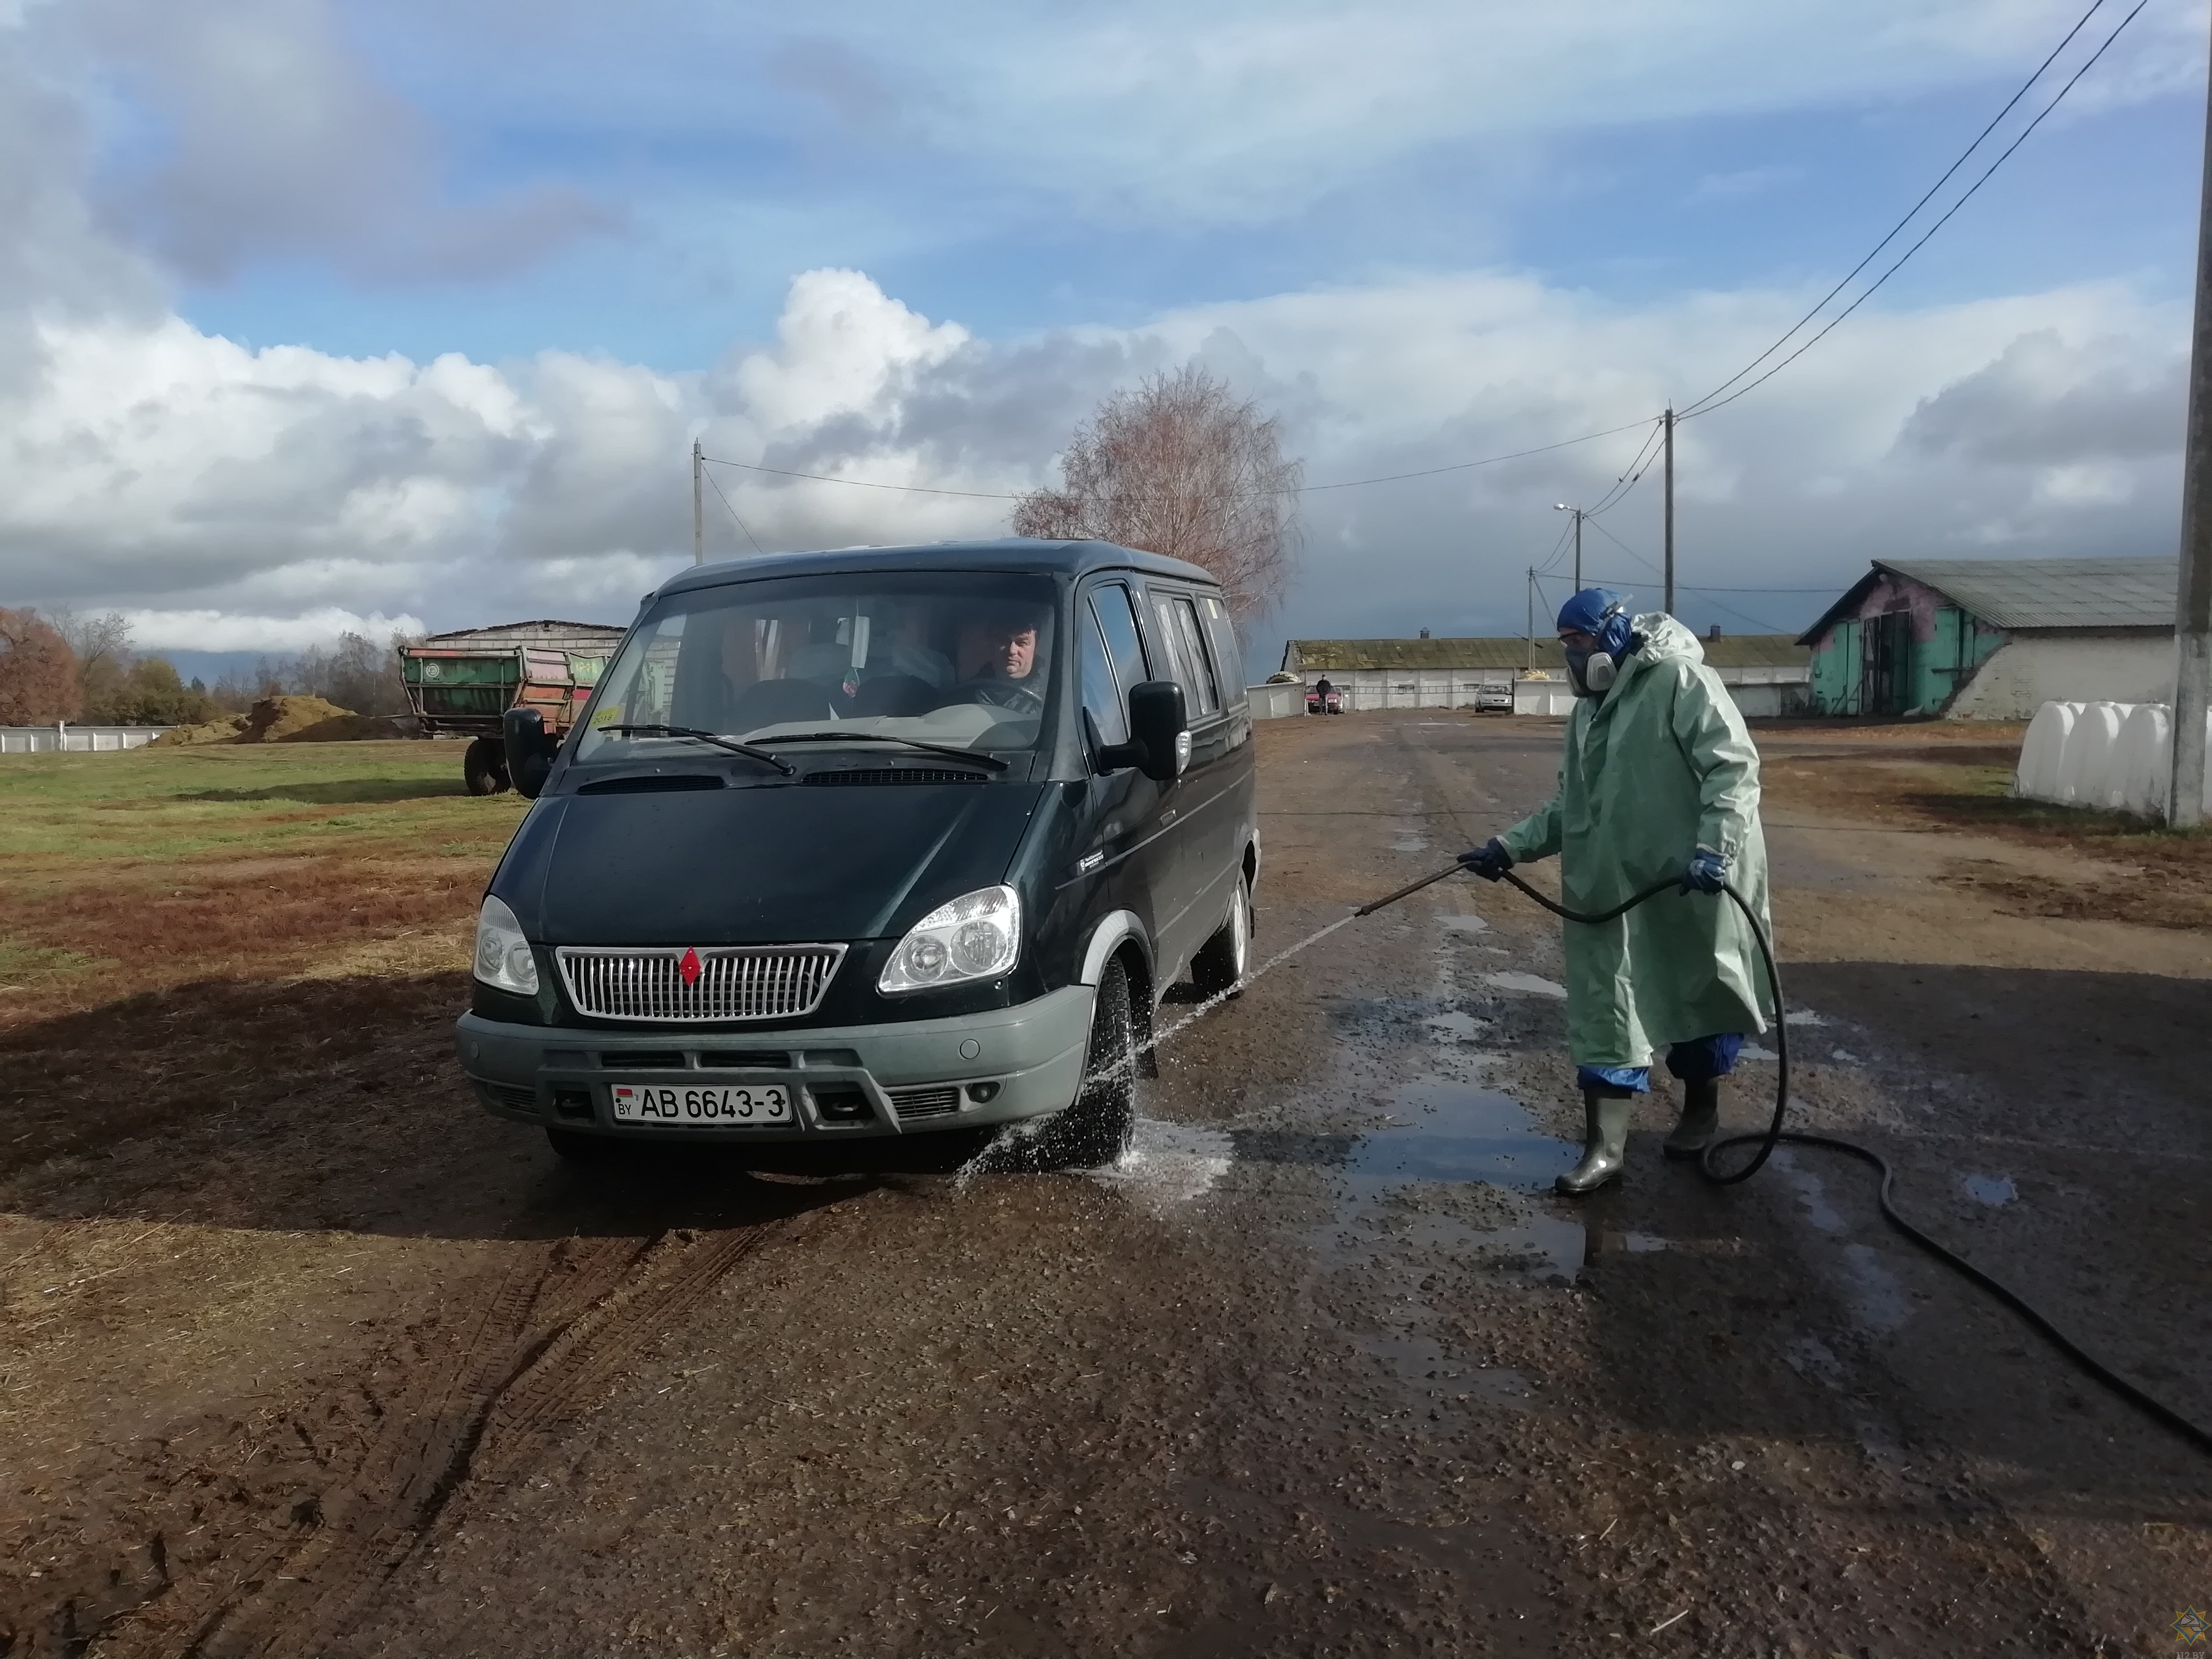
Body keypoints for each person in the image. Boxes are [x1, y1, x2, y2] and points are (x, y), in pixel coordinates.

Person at [1459, 589, 1773, 1195]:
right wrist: (1508, 847)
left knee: (1696, 990)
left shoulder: (1681, 682)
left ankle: (1701, 1110)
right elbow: (1571, 803)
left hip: (1687, 878)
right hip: (1609, 884)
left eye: (1576, 644)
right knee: (1607, 1006)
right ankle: (1604, 1149)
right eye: (1565, 648)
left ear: (1610, 636)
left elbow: (1731, 768)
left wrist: (1715, 849)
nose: (1571, 658)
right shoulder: (1587, 713)